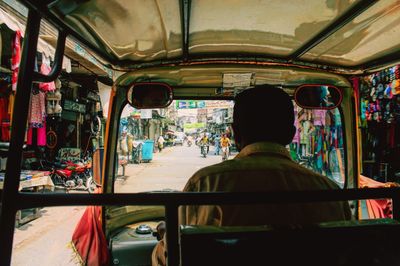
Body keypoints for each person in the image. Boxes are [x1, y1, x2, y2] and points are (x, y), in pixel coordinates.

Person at [152, 85, 352, 266]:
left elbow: (170, 258)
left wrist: (164, 235)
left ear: (235, 133)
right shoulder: (329, 191)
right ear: (291, 135)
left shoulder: (204, 184)